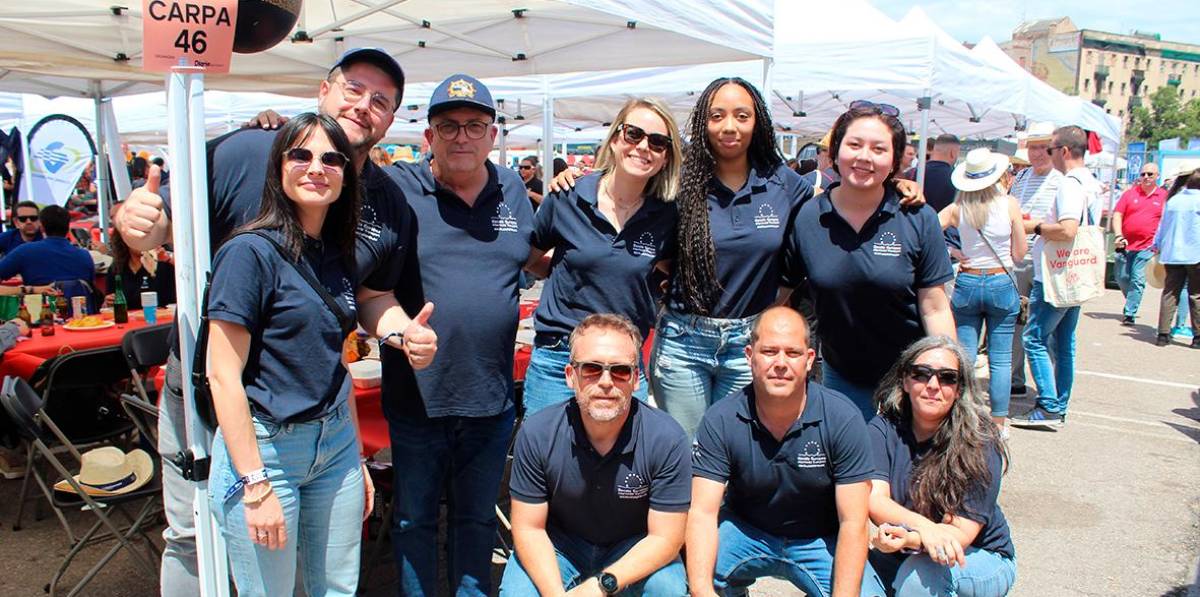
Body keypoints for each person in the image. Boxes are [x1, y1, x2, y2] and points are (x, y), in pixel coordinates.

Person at [114, 47, 433, 597]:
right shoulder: (246, 155)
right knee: (194, 538)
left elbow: (368, 298)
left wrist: (403, 331)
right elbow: (160, 219)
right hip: (217, 396)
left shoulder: (383, 203)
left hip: (321, 420)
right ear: (322, 93)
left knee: (314, 567)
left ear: (392, 119)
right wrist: (137, 220)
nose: (364, 106)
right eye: (353, 89)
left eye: (381, 100)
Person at [205, 114, 371, 596]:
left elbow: (338, 363)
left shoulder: (338, 253)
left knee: (338, 588)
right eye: (301, 154)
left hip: (335, 444)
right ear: (278, 166)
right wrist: (255, 484)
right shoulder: (249, 252)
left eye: (331, 158)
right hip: (266, 451)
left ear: (346, 173)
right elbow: (222, 375)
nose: (316, 167)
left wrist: (355, 456)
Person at [384, 74, 536, 597]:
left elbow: (539, 255)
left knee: (476, 523)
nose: (461, 137)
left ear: (493, 135)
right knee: (413, 522)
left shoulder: (513, 189)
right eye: (448, 126)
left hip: (491, 400)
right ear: (428, 137)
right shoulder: (398, 188)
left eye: (474, 125)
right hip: (416, 400)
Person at [687, 306, 885, 597]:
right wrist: (702, 591)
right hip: (746, 532)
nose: (780, 363)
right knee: (688, 580)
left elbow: (854, 522)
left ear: (808, 360)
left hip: (819, 538)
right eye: (769, 351)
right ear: (749, 356)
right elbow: (702, 513)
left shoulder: (843, 417)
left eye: (792, 353)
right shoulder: (721, 418)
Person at [782, 104, 956, 421]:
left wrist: (946, 372)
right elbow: (781, 294)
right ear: (835, 152)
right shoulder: (809, 217)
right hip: (841, 374)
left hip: (911, 376)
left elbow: (935, 306)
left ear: (895, 160)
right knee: (847, 466)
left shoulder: (917, 216)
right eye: (854, 145)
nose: (865, 157)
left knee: (907, 466)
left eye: (879, 149)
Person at [502, 313, 691, 596]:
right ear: (570, 376)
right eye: (591, 368)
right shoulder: (538, 432)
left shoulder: (667, 438)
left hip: (633, 543)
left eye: (620, 371)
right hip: (560, 544)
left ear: (636, 378)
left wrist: (602, 584)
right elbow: (528, 529)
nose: (606, 381)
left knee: (668, 589)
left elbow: (666, 538)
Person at [521, 98, 681, 416]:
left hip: (623, 364)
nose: (643, 146)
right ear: (616, 138)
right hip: (559, 358)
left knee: (626, 462)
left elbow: (671, 275)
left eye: (658, 142)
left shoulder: (668, 215)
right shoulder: (567, 196)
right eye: (634, 134)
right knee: (549, 458)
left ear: (666, 157)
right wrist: (562, 273)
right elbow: (528, 258)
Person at [867, 337, 1015, 597]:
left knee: (921, 576)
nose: (933, 385)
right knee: (845, 574)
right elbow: (875, 499)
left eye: (947, 378)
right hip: (907, 550)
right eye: (921, 374)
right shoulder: (883, 427)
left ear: (959, 389)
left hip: (978, 555)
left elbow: (959, 535)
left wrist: (912, 538)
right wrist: (923, 529)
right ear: (905, 380)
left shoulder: (980, 440)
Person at [1010, 125, 1102, 430]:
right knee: (1063, 343)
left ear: (1063, 151)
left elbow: (1068, 228)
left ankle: (1049, 405)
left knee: (1034, 338)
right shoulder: (1090, 182)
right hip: (1073, 273)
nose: (1046, 155)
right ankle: (1058, 403)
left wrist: (1034, 226)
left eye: (1049, 149)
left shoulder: (1069, 184)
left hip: (1057, 274)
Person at [938, 149, 1027, 431]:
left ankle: (960, 417)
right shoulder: (1009, 204)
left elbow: (926, 230)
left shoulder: (957, 208)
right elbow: (1020, 253)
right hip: (1001, 279)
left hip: (968, 279)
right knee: (1000, 359)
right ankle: (999, 423)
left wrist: (952, 250)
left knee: (966, 356)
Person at [1006, 123, 1061, 398]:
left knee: (1042, 328)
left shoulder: (1060, 180)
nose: (1038, 153)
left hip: (1046, 261)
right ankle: (1014, 378)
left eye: (1043, 148)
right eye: (1033, 147)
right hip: (1018, 258)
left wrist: (1031, 225)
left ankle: (1047, 388)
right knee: (1015, 321)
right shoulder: (1022, 177)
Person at [1112, 162, 1166, 326]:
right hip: (1126, 245)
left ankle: (1129, 313)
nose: (1146, 177)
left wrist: (1160, 243)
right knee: (1122, 277)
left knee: (1137, 279)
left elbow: (1165, 221)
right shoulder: (1129, 194)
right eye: (1143, 174)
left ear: (1157, 176)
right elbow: (1117, 215)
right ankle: (1133, 299)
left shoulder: (1163, 196)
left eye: (1150, 174)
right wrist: (1118, 235)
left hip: (1148, 246)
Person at [1152, 164, 1200, 348]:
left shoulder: (1173, 200)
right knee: (1196, 294)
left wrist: (1157, 245)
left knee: (1170, 293)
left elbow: (1162, 227)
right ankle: (1197, 336)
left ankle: (1163, 334)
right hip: (1195, 253)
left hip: (1172, 253)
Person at [0, 205, 94, 286]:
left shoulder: (24, 251)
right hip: (79, 306)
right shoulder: (85, 256)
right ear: (68, 227)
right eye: (23, 219)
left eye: (33, 218)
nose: (28, 222)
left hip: (42, 305)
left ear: (42, 227)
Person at [105, 212, 176, 310]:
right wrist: (108, 301)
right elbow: (110, 302)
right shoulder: (116, 269)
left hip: (160, 320)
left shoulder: (164, 264)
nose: (142, 241)